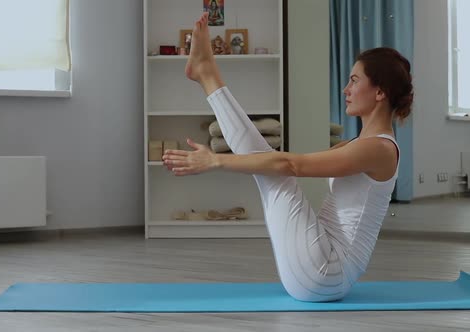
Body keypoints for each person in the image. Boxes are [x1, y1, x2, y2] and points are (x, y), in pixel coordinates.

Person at [162, 12, 414, 302]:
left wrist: (216, 161)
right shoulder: (360, 144)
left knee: (279, 173)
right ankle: (207, 75)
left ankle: (207, 76)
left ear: (380, 91)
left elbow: (291, 165)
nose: (346, 89)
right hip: (319, 269)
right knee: (272, 168)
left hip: (326, 273)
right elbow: (285, 161)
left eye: (354, 80)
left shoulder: (377, 149)